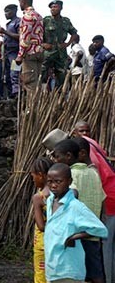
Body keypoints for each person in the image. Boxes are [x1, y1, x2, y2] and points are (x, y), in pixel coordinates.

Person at [52, 139, 105, 283]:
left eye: (57, 156)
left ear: (68, 156)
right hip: (93, 233)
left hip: (76, 235)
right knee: (96, 271)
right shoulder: (94, 173)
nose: (55, 160)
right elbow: (102, 199)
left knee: (76, 274)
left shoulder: (70, 175)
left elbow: (72, 196)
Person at [73, 120, 115, 283]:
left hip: (109, 200)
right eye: (81, 131)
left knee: (105, 247)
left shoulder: (85, 150)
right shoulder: (94, 145)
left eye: (86, 131)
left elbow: (95, 173)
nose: (84, 134)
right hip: (110, 195)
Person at [41, 0, 78, 89]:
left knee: (61, 77)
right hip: (48, 52)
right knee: (41, 74)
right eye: (51, 7)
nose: (53, 9)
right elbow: (37, 33)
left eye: (55, 7)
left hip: (61, 53)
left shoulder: (66, 21)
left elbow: (74, 33)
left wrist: (68, 43)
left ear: (61, 8)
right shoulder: (46, 20)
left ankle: (58, 97)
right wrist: (42, 44)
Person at [30, 157, 53, 283]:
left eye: (33, 176)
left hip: (42, 244)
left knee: (41, 276)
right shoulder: (60, 193)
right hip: (58, 242)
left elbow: (41, 226)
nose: (33, 179)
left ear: (40, 175)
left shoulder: (39, 197)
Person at [15, 0, 44, 92]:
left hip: (29, 54)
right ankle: (38, 106)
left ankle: (32, 107)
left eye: (20, 2)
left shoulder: (27, 16)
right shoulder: (39, 16)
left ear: (23, 2)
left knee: (30, 84)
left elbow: (25, 38)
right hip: (39, 52)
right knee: (37, 83)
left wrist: (20, 55)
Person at [0, 4, 21, 98]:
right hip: (7, 54)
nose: (5, 14)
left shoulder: (18, 22)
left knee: (15, 75)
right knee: (7, 77)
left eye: (7, 11)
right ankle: (11, 97)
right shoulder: (8, 24)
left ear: (14, 11)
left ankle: (17, 97)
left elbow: (20, 36)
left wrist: (5, 32)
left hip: (15, 54)